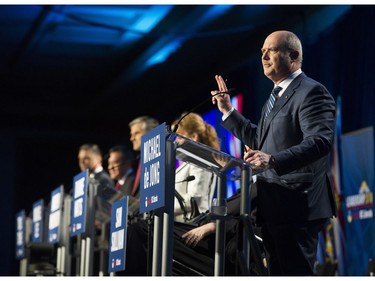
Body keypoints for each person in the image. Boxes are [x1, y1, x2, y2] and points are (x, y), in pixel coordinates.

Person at [210, 30, 337, 276]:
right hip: (274, 206)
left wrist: (273, 159)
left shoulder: (311, 92)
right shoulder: (276, 95)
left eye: (272, 50)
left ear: (294, 55)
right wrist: (228, 111)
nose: (264, 56)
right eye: (262, 52)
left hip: (298, 205)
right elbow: (260, 140)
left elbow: (320, 141)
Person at [172, 112, 220, 222]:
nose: (176, 141)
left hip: (190, 226)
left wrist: (163, 205)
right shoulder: (189, 164)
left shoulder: (200, 163)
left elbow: (196, 199)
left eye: (179, 137)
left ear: (193, 137)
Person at [128, 116, 160, 199]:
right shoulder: (142, 158)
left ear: (150, 133)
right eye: (131, 135)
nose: (132, 139)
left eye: (136, 133)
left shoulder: (158, 157)